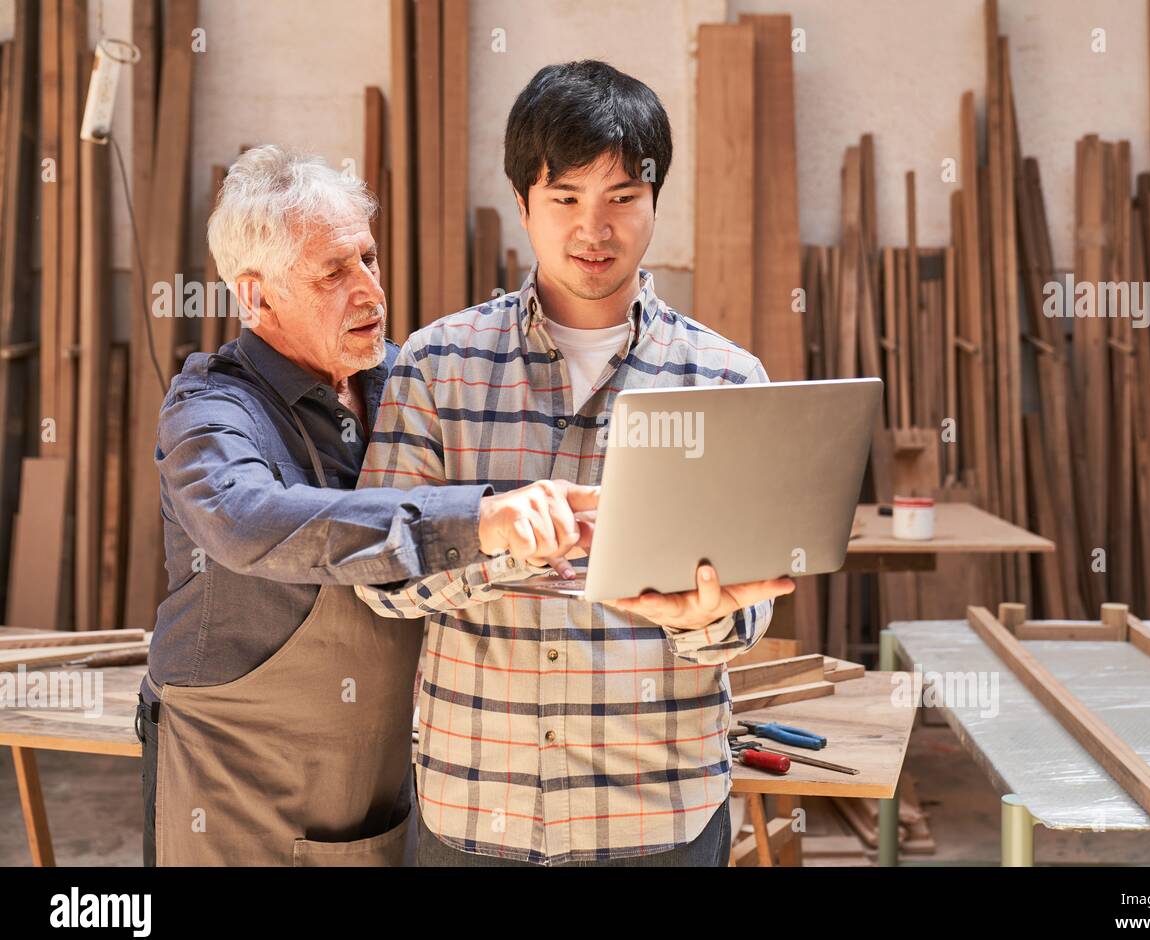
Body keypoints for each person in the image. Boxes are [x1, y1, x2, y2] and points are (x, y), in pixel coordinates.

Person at [356, 61, 794, 867]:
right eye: (565, 199)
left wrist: (703, 617)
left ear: (656, 203)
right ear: (522, 203)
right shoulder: (437, 364)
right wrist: (491, 541)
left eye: (622, 198)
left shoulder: (727, 380)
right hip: (477, 804)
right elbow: (377, 574)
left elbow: (746, 610)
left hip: (656, 816)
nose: (594, 228)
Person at [138, 146, 595, 865]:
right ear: (255, 298)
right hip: (232, 783)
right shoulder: (210, 408)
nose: (370, 292)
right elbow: (246, 518)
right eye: (333, 272)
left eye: (369, 260)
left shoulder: (399, 384)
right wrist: (472, 519)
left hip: (376, 774)